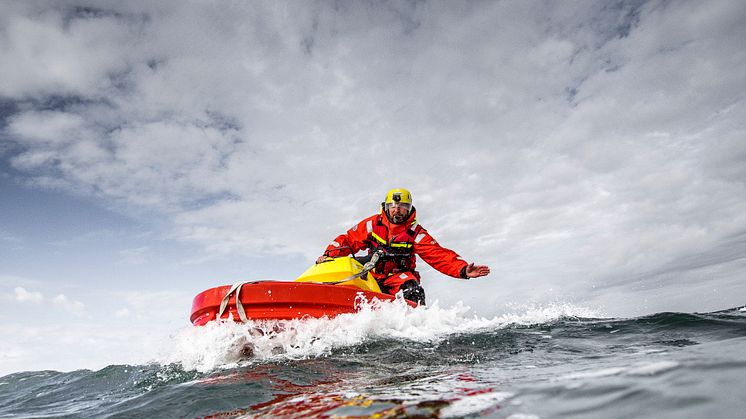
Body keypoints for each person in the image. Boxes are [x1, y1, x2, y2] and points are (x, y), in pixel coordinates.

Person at [316, 188, 490, 305]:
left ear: (409, 208)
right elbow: (348, 240)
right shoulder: (371, 224)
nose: (396, 210)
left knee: (413, 289)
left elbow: (439, 255)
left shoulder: (416, 233)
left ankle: (414, 328)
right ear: (385, 207)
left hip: (398, 277)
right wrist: (328, 256)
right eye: (392, 206)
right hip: (370, 275)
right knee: (342, 282)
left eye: (402, 206)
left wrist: (463, 269)